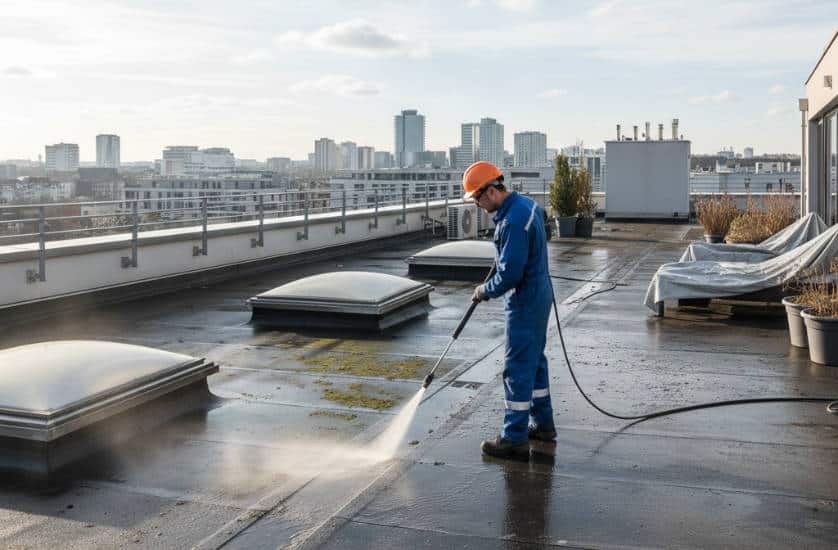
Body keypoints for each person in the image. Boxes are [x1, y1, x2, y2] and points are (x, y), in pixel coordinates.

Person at [463, 161, 556, 460]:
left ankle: (513, 438)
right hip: (539, 295)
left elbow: (510, 275)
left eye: (478, 198)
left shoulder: (513, 221)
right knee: (535, 363)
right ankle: (543, 426)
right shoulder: (526, 206)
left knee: (516, 368)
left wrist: (484, 291)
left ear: (491, 190)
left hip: (525, 302)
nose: (477, 205)